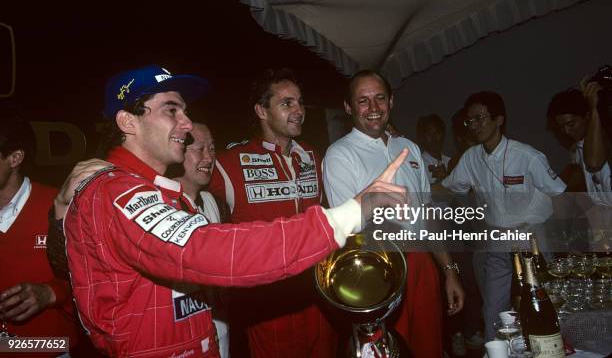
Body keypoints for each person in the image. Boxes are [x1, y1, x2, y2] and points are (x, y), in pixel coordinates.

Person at [61, 64, 408, 357]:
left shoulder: (157, 189)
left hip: (302, 300)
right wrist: (349, 214)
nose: (186, 123)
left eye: (185, 110)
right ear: (127, 121)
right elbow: (206, 249)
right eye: (172, 110)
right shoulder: (116, 189)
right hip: (264, 306)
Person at [323, 70, 465, 357]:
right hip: (377, 271)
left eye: (379, 98)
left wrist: (449, 271)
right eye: (363, 101)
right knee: (387, 350)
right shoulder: (340, 155)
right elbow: (350, 232)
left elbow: (427, 218)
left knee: (430, 347)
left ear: (391, 101)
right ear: (349, 107)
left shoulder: (409, 147)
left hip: (422, 263)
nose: (373, 108)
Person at [208, 69, 336, 358]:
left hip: (318, 292)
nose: (299, 111)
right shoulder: (231, 161)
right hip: (268, 302)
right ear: (261, 111)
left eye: (300, 103)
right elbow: (182, 180)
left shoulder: (312, 156)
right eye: (287, 103)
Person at [442, 91, 567, 341]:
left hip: (531, 237)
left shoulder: (527, 156)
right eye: (470, 121)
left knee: (545, 301)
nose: (474, 126)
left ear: (499, 119)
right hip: (497, 237)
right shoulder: (471, 158)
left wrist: (561, 240)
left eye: (480, 118)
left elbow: (560, 193)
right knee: (493, 309)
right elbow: (447, 187)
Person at [0, 108, 79, 356]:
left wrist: (50, 293)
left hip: (49, 348)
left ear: (15, 158)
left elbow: (93, 280)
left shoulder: (59, 207)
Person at [169, 121, 230, 358]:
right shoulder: (159, 206)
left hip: (220, 334)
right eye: (200, 149)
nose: (209, 157)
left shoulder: (216, 204)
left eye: (213, 149)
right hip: (181, 343)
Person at [547, 81, 611, 248]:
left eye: (571, 124)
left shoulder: (605, 138)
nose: (566, 131)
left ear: (587, 116)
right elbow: (581, 194)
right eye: (561, 127)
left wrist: (594, 107)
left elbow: (595, 162)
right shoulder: (578, 149)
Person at [417, 114, 451, 185]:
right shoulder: (419, 164)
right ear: (422, 137)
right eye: (429, 134)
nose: (434, 138)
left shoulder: (450, 162)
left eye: (437, 133)